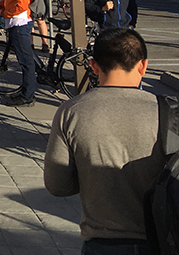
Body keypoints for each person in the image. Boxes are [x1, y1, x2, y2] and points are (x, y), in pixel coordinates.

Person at [44, 28, 164, 255]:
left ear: (94, 66)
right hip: (161, 240)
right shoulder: (168, 111)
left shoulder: (72, 112)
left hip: (101, 242)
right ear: (143, 66)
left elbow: (57, 185)